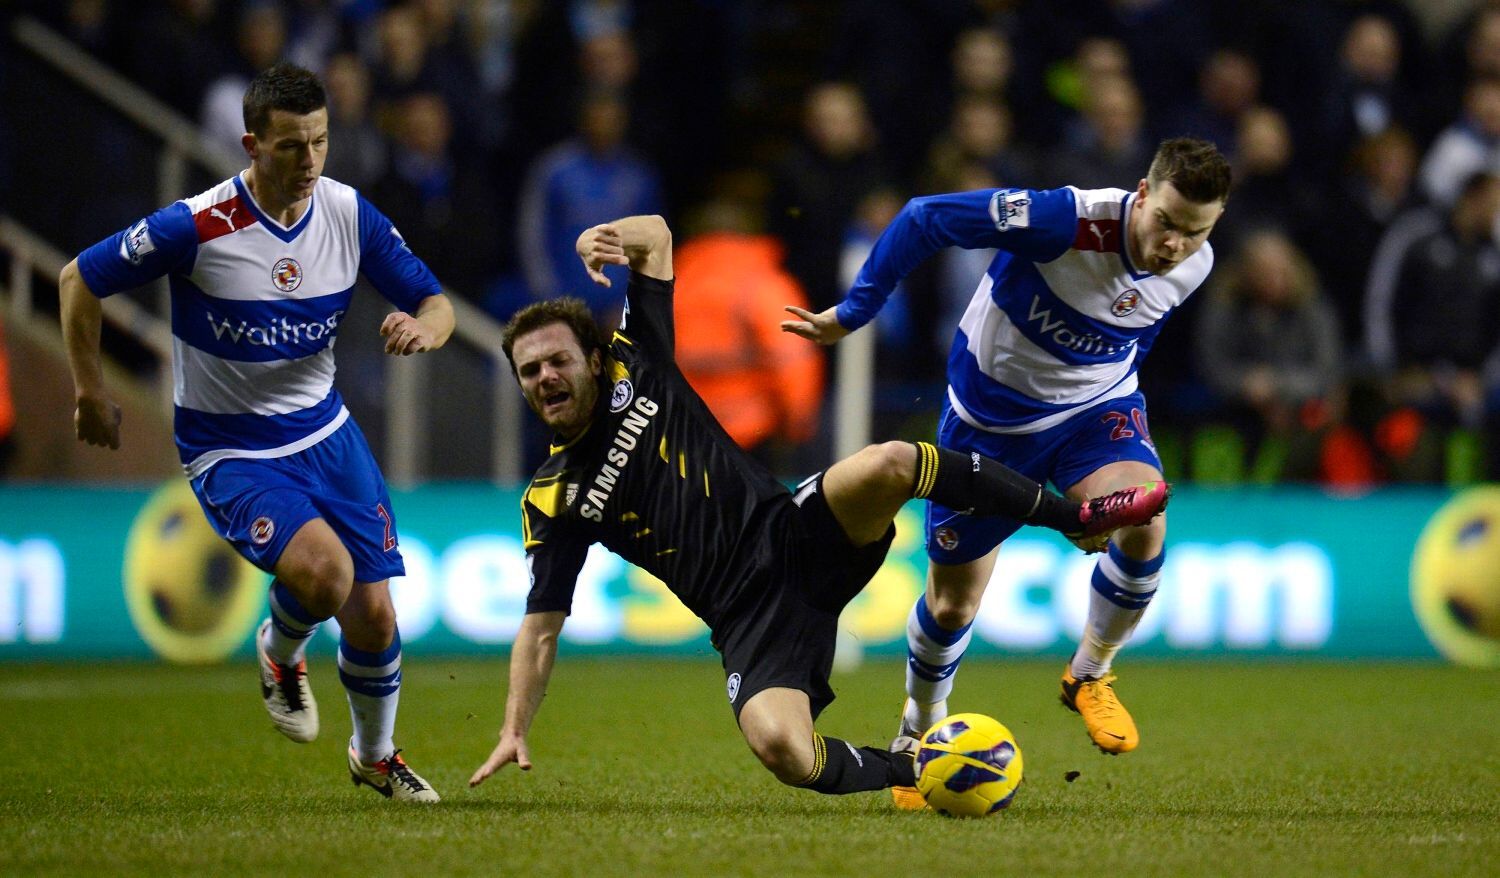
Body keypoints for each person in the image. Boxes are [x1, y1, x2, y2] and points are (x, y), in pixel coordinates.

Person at [467, 214, 1169, 797]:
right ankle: (920, 769)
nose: (544, 377)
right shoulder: (552, 499)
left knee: (891, 461)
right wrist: (514, 727)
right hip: (745, 618)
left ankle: (1069, 519)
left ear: (592, 360)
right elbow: (541, 628)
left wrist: (605, 237)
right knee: (782, 749)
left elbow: (656, 236)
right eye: (529, 371)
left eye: (556, 360)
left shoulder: (634, 358)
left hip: (792, 531)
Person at [782, 137, 1231, 808]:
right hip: (986, 426)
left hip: (1093, 411)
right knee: (952, 603)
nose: (1174, 244)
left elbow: (1135, 333)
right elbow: (925, 216)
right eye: (1165, 221)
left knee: (1146, 523)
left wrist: (1105, 473)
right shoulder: (1064, 221)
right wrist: (856, 311)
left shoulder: (1195, 266)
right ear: (1142, 193)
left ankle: (1089, 673)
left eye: (1193, 232)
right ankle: (918, 730)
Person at [59, 63, 453, 803]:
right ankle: (280, 651)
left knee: (373, 614)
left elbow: (436, 301)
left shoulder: (348, 214)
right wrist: (87, 390)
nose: (308, 162)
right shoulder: (197, 224)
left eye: (320, 142)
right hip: (230, 447)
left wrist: (425, 327)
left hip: (327, 433)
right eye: (289, 147)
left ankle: (375, 756)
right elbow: (78, 279)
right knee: (328, 575)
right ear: (250, 143)